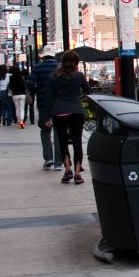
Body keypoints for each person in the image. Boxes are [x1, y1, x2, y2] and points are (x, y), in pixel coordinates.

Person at [49, 50, 92, 184]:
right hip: (76, 111)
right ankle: (78, 173)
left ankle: (67, 170)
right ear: (76, 63)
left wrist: (45, 117)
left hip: (59, 112)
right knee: (77, 142)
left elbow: (49, 97)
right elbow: (88, 92)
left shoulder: (54, 76)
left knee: (62, 142)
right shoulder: (79, 76)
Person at [27, 46, 63, 171]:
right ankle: (59, 162)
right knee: (58, 132)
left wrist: (37, 90)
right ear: (53, 55)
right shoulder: (59, 67)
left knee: (45, 130)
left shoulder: (37, 67)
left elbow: (29, 84)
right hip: (59, 104)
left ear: (44, 55)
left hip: (43, 104)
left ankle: (48, 158)